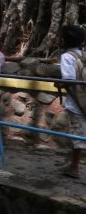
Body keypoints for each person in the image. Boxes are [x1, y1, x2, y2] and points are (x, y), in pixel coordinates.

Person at [58, 25, 86, 178]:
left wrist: (59, 84)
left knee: (78, 135)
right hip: (84, 99)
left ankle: (74, 167)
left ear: (63, 40)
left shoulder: (67, 57)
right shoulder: (83, 55)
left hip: (76, 103)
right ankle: (72, 164)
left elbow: (68, 80)